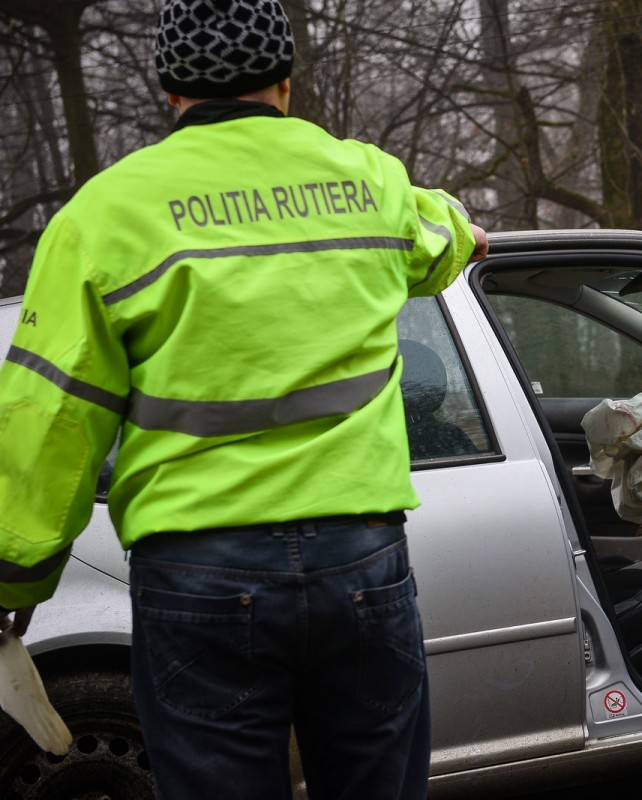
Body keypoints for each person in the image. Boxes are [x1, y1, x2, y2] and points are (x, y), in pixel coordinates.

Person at [0, 0, 487, 796]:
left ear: (171, 92)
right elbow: (443, 246)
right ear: (285, 82)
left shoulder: (104, 215)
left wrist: (11, 583)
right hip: (358, 560)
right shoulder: (367, 179)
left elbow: (50, 416)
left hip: (199, 573)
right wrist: (460, 228)